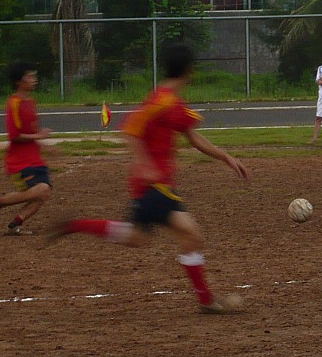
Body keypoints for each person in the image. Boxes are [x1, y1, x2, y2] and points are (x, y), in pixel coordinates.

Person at [48, 43, 249, 315]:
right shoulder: (162, 100)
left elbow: (192, 136)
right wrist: (145, 165)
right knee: (191, 234)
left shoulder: (172, 102)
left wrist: (226, 158)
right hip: (156, 185)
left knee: (137, 237)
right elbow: (130, 129)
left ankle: (76, 225)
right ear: (189, 70)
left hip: (154, 185)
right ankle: (207, 301)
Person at [0, 62, 55, 235]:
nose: (34, 79)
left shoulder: (31, 102)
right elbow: (14, 135)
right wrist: (38, 136)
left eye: (34, 76)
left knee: (43, 194)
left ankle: (15, 224)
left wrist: (43, 144)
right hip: (19, 162)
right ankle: (0, 202)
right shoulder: (14, 103)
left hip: (35, 159)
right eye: (29, 76)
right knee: (43, 189)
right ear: (19, 81)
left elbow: (33, 132)